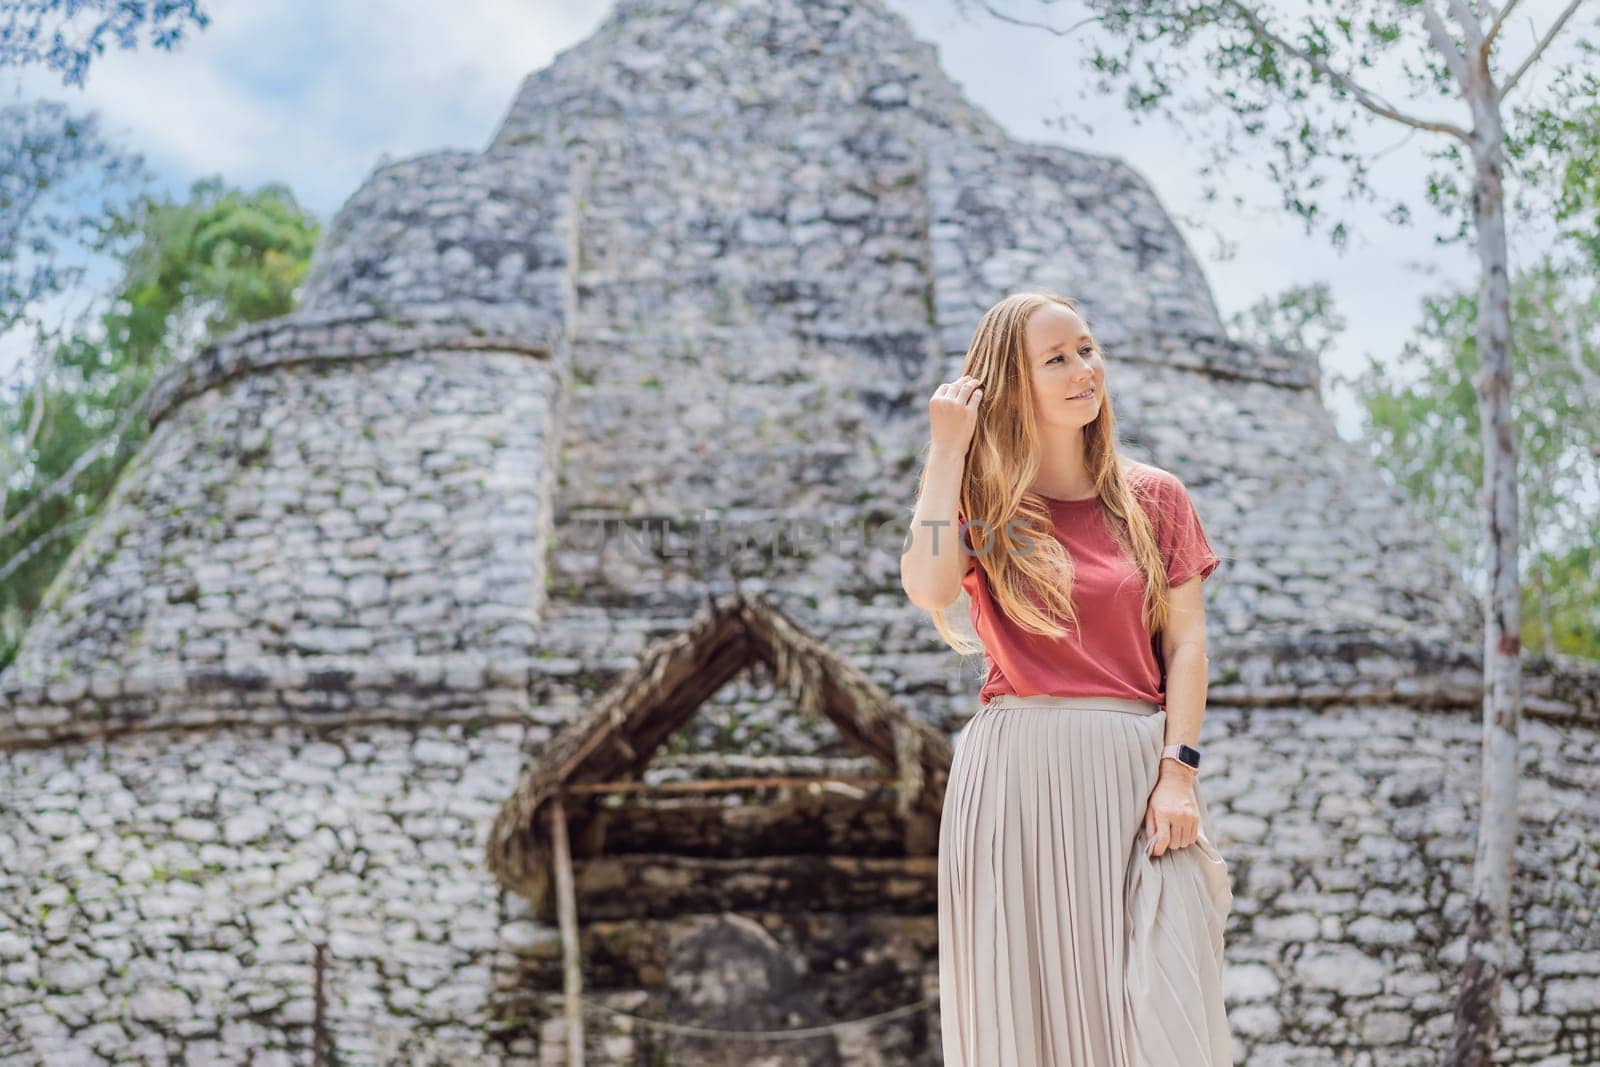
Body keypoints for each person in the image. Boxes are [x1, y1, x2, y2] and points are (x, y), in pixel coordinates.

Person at [899, 290, 1236, 1066]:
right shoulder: (983, 502)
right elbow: (928, 585)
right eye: (1056, 358)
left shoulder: (1156, 497)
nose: (1085, 369)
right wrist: (947, 451)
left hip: (1138, 774)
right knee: (1031, 1029)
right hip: (1017, 779)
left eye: (1086, 348)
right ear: (1013, 384)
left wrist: (1177, 772)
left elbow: (1187, 643)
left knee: (1167, 1018)